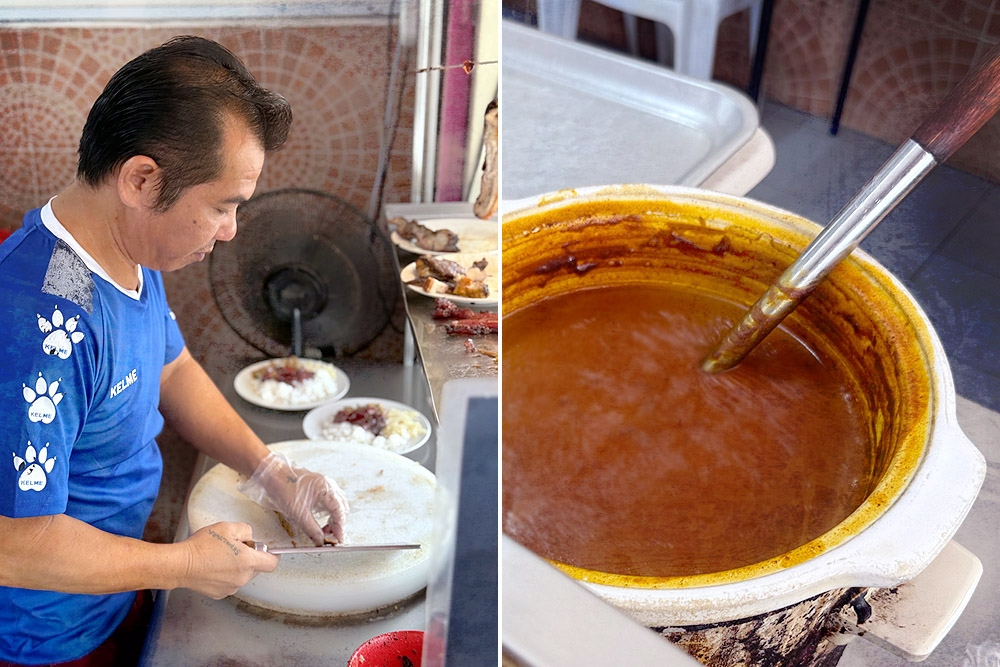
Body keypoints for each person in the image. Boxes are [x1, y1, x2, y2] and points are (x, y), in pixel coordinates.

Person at [0, 36, 349, 666]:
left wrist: (270, 471)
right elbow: (16, 544)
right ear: (141, 179)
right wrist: (181, 564)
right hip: (43, 638)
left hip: (115, 586)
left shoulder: (129, 250)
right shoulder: (39, 327)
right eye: (221, 206)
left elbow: (172, 367)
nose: (230, 230)